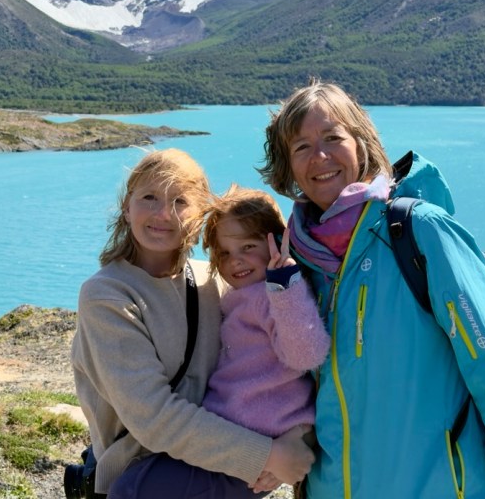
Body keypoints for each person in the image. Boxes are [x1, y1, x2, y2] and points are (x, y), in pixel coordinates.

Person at [260, 81, 485, 499]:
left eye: (332, 138)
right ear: (287, 165)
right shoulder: (296, 263)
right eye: (301, 146)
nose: (320, 157)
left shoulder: (420, 233)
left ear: (362, 144)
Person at [70, 149, 315, 499]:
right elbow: (154, 418)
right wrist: (269, 455)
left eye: (180, 201)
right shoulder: (106, 296)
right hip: (142, 479)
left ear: (202, 215)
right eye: (149, 197)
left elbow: (275, 360)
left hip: (222, 470)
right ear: (127, 207)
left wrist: (298, 430)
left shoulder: (213, 282)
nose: (163, 213)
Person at [200, 186, 329, 438]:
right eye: (224, 252)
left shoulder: (275, 295)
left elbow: (307, 356)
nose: (234, 260)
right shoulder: (239, 296)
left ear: (278, 242)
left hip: (262, 428)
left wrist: (284, 285)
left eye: (247, 246)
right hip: (238, 427)